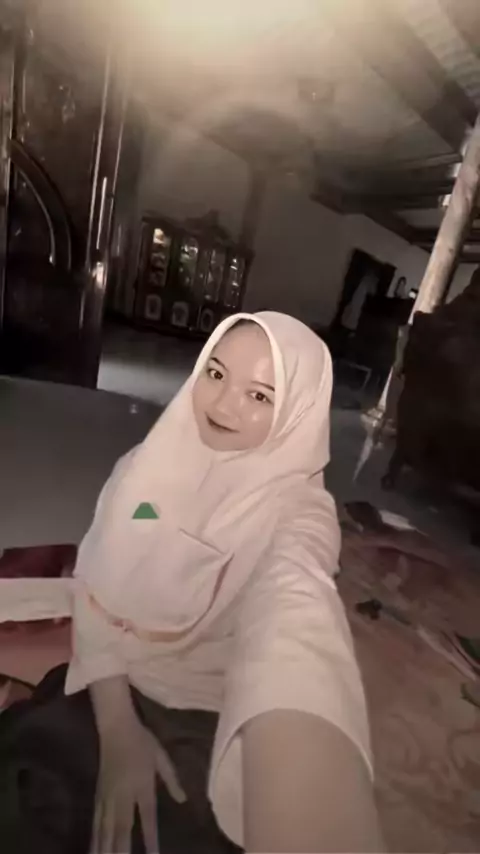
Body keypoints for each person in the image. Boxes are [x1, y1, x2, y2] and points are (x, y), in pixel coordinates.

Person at [0, 312, 382, 854]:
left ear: (297, 412)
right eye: (216, 374)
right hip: (110, 673)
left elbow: (299, 603)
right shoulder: (151, 463)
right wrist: (117, 727)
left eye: (259, 396)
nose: (223, 405)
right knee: (33, 780)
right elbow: (99, 580)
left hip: (200, 705)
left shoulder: (297, 510)